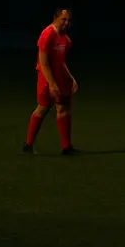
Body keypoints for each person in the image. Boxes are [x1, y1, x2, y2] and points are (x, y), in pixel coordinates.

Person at [23, 8, 79, 155]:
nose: (66, 23)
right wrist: (51, 83)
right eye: (63, 20)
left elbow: (61, 62)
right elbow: (43, 62)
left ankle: (66, 147)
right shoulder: (47, 34)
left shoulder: (65, 38)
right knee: (43, 108)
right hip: (47, 79)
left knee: (63, 108)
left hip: (59, 78)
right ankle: (28, 145)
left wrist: (70, 77)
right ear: (55, 18)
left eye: (68, 20)